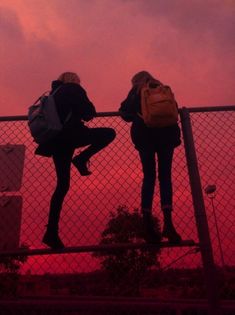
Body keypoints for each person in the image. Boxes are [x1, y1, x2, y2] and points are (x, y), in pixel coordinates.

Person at [35, 71, 116, 249]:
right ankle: (82, 158)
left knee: (62, 185)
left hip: (56, 141)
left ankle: (51, 232)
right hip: (72, 135)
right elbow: (89, 113)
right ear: (75, 80)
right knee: (109, 133)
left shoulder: (52, 94)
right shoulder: (74, 89)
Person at [119, 71, 182, 244]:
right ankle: (168, 224)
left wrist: (138, 116)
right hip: (167, 136)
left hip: (145, 136)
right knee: (165, 177)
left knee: (149, 177)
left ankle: (147, 224)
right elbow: (174, 109)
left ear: (136, 81)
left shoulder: (137, 90)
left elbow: (124, 113)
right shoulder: (162, 89)